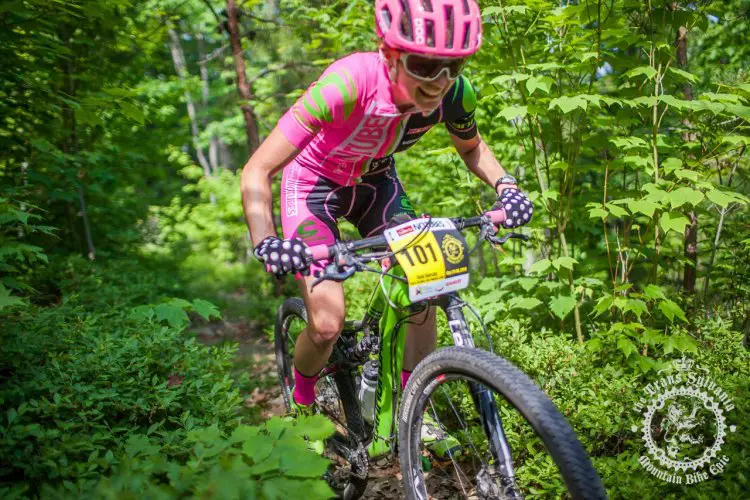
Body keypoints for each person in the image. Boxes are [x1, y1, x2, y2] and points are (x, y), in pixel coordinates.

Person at [241, 0, 533, 456]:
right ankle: (301, 404)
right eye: (424, 65)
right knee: (326, 324)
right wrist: (265, 242)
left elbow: (472, 149)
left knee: (429, 282)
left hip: (377, 183)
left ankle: (416, 409)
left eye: (453, 66)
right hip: (314, 187)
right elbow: (256, 170)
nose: (439, 82)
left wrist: (507, 185)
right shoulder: (346, 84)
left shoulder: (456, 94)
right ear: (391, 53)